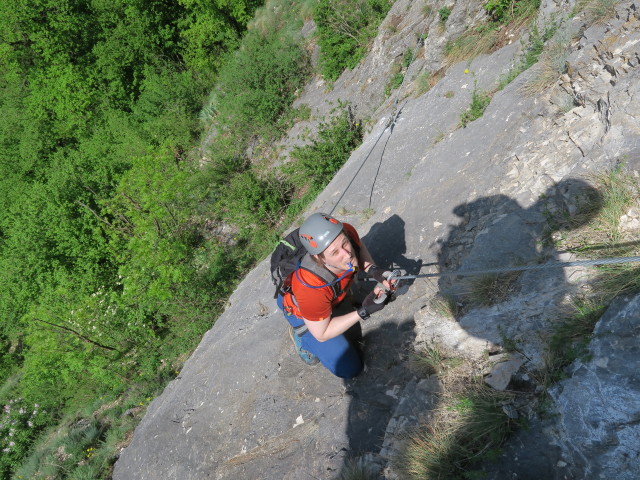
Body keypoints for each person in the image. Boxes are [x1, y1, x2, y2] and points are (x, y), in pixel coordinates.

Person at [277, 213, 393, 378]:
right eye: (335, 252)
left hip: (330, 298)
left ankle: (338, 301)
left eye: (345, 243)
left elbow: (358, 249)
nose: (346, 254)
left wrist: (374, 271)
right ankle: (302, 336)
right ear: (319, 258)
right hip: (302, 311)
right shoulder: (309, 286)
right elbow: (322, 333)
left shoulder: (345, 232)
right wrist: (364, 311)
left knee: (355, 339)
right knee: (349, 368)